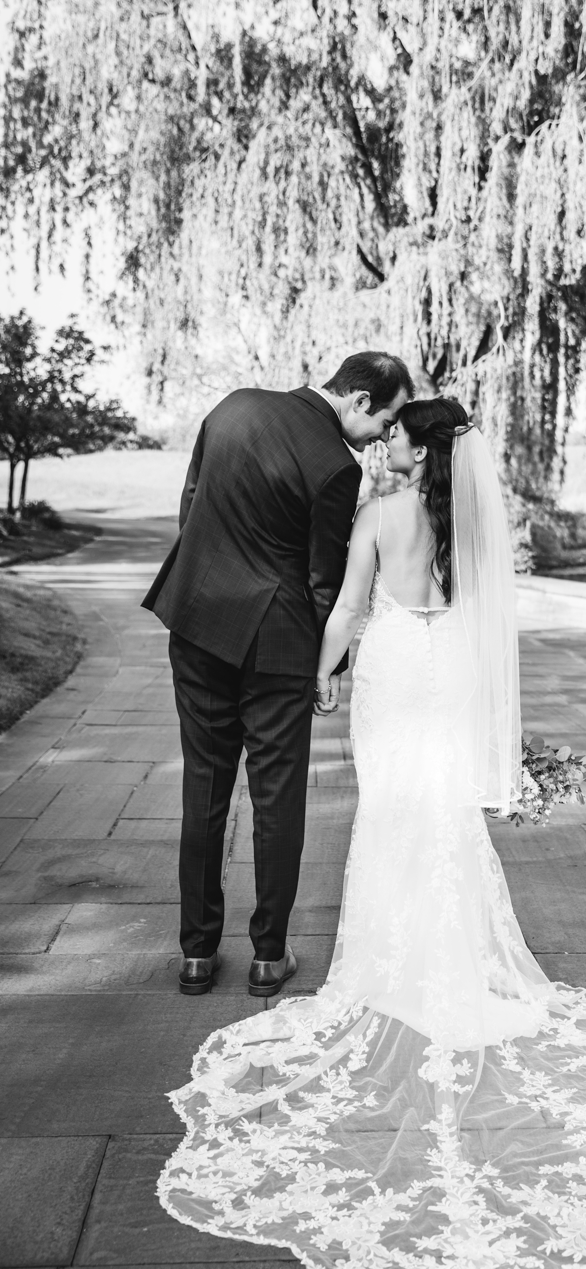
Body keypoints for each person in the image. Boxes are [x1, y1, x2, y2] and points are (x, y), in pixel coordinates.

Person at [158, 398, 586, 1267]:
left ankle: (390, 963)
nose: (382, 442)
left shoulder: (380, 514)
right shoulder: (470, 524)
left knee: (392, 812)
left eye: (394, 435)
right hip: (446, 674)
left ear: (418, 449)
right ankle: (459, 959)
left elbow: (350, 608)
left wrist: (321, 675)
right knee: (440, 817)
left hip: (393, 674)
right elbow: (482, 620)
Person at [142, 352, 414, 999]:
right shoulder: (334, 469)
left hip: (199, 623)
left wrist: (212, 581)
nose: (383, 434)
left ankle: (197, 955)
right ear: (356, 399)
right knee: (276, 799)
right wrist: (331, 665)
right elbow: (325, 580)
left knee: (203, 791)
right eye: (386, 418)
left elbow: (191, 504)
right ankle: (268, 956)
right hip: (279, 646)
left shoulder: (231, 406)